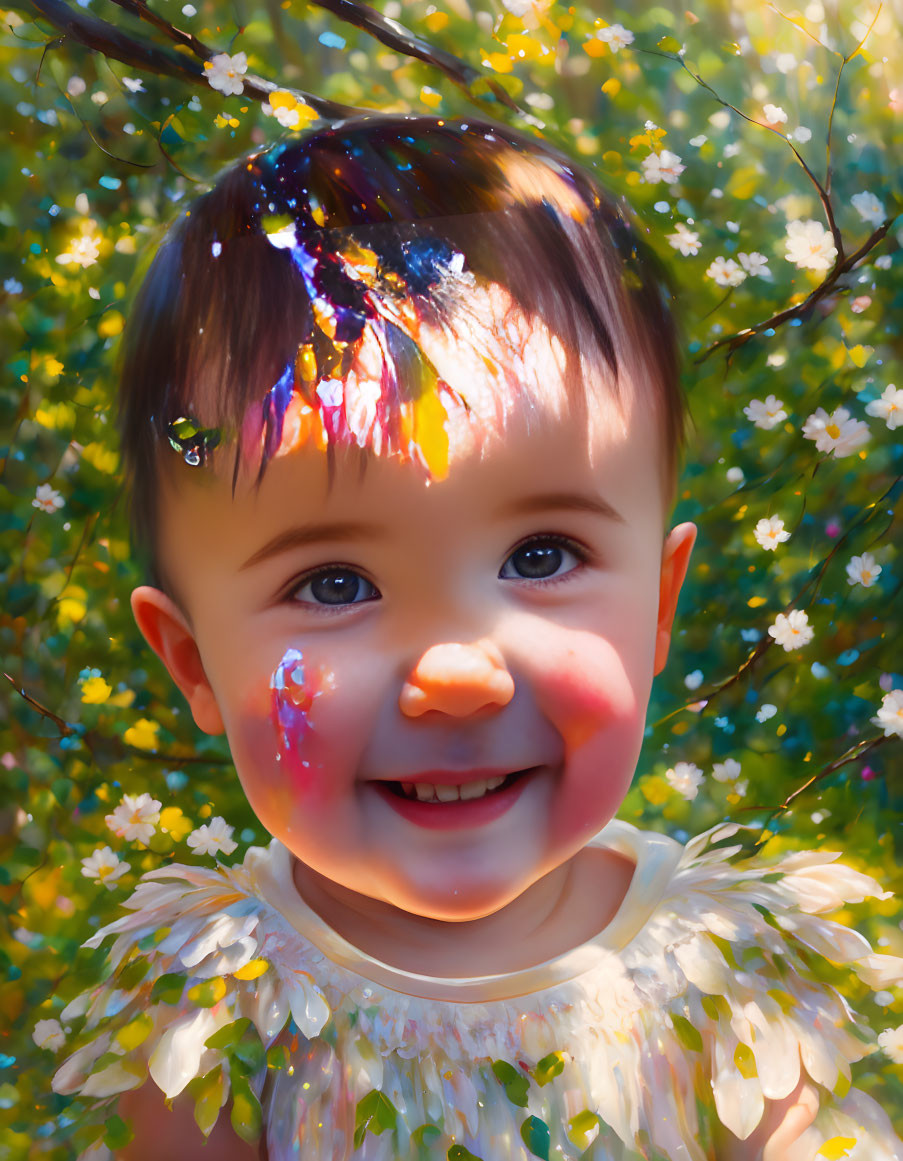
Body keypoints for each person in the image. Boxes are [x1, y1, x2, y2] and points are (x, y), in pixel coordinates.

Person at [50, 114, 903, 1161]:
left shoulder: (726, 977)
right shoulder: (214, 1006)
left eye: (541, 558)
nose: (456, 674)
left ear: (659, 606)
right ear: (194, 665)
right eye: (333, 582)